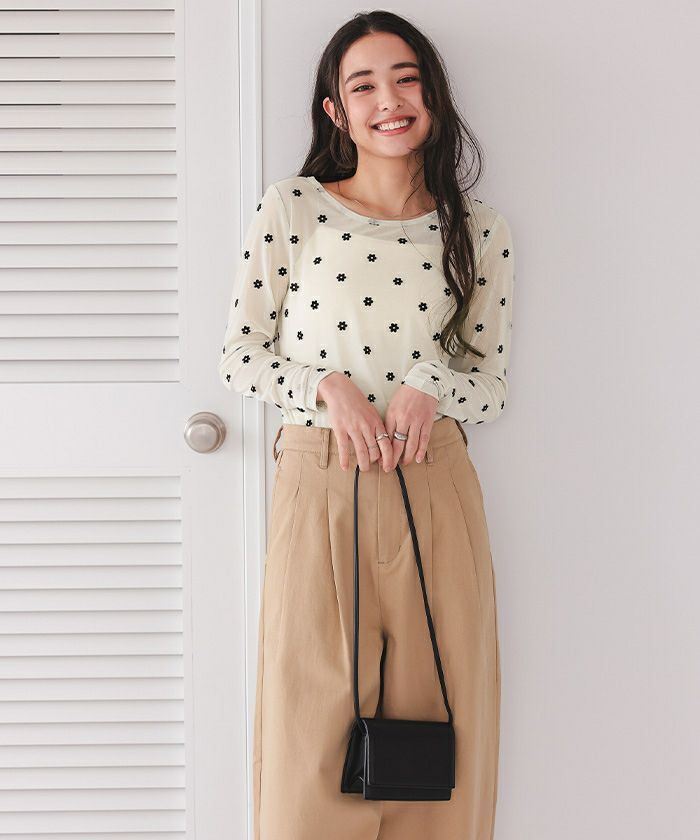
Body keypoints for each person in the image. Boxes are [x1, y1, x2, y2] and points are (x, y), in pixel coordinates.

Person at [219, 10, 515, 840]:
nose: (390, 100)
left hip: (434, 482)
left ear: (433, 95)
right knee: (307, 728)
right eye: (364, 86)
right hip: (320, 480)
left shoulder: (479, 230)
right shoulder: (294, 208)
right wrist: (326, 388)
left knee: (442, 729)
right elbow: (238, 357)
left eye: (406, 78)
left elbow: (491, 387)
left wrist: (430, 385)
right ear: (336, 112)